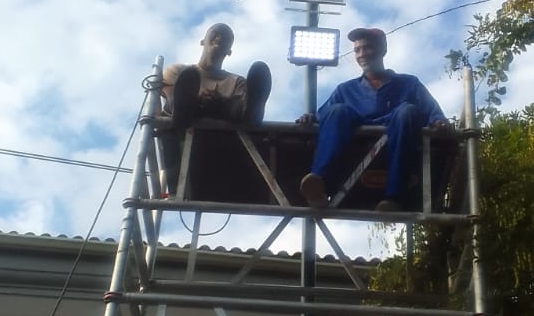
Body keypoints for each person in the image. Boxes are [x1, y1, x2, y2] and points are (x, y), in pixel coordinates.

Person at [298, 26, 450, 211]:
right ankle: (318, 184)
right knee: (336, 110)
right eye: (357, 50)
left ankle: (393, 198)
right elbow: (324, 116)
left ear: (383, 50)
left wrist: (438, 121)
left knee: (407, 111)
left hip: (395, 145)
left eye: (367, 47)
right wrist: (309, 118)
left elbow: (432, 111)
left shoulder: (408, 83)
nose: (362, 54)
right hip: (355, 151)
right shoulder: (346, 89)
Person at [160, 22, 272, 193]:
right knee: (184, 97)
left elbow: (235, 108)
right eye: (216, 32)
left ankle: (253, 111)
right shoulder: (181, 73)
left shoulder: (238, 81)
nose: (220, 37)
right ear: (202, 41)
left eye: (226, 38)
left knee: (236, 107)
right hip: (188, 131)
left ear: (229, 52)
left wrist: (218, 101)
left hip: (223, 140)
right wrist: (201, 100)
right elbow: (167, 102)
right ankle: (191, 107)